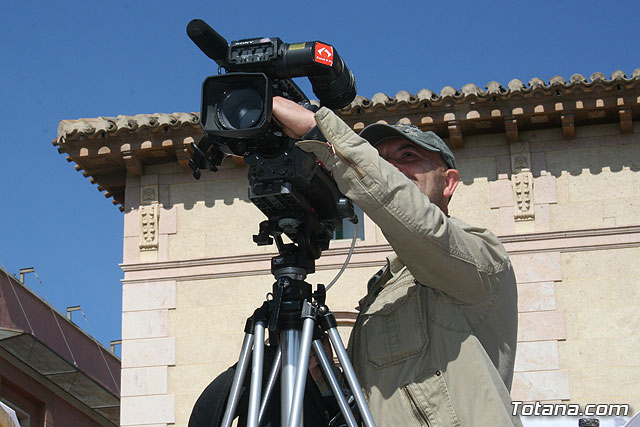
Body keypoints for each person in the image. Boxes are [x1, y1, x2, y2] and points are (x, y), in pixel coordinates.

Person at [272, 96, 522, 427]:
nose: (392, 168)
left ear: (448, 183)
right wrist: (323, 376)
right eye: (381, 160)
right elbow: (380, 404)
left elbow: (420, 222)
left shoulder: (480, 254)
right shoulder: (382, 289)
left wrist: (319, 131)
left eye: (409, 156)